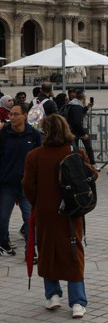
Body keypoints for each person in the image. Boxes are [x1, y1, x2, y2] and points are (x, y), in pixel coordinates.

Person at [22, 114, 98, 319]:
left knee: (47, 251)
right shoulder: (75, 152)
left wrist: (39, 202)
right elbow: (93, 175)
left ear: (44, 132)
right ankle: (78, 302)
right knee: (73, 251)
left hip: (45, 212)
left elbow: (27, 186)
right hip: (71, 212)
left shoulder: (34, 156)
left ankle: (53, 295)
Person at [0, 104, 42, 257]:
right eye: (10, 114)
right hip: (7, 184)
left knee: (30, 218)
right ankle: (3, 243)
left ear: (25, 116)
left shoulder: (34, 135)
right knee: (3, 218)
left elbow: (40, 159)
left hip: (27, 185)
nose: (11, 117)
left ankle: (31, 250)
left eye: (15, 114)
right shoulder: (3, 135)